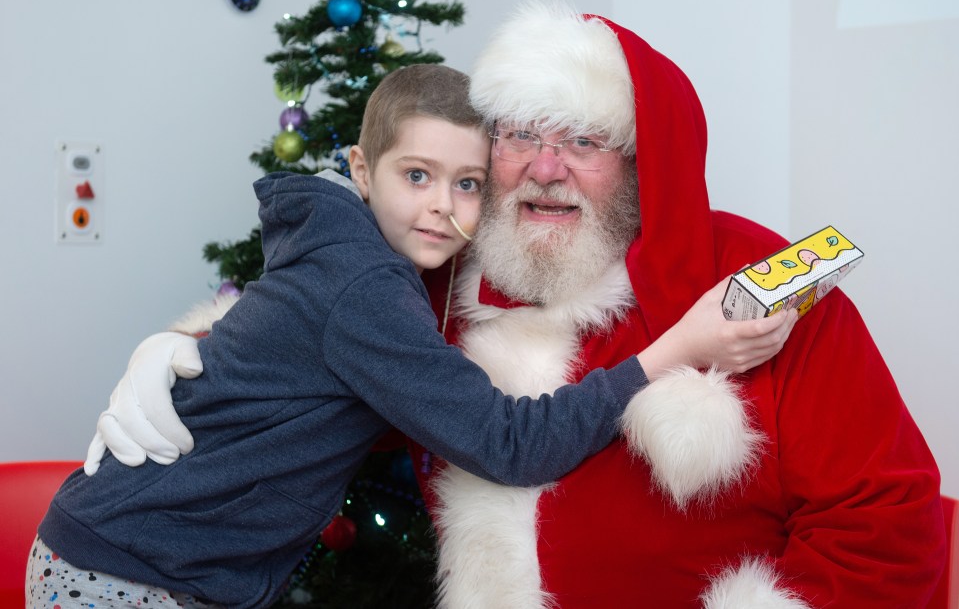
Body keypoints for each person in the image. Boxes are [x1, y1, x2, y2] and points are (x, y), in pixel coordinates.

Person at [32, 63, 795, 608]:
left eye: (467, 184)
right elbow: (507, 442)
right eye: (416, 176)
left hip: (133, 556)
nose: (442, 208)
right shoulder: (365, 289)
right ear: (362, 171)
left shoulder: (352, 258)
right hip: (127, 576)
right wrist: (672, 353)